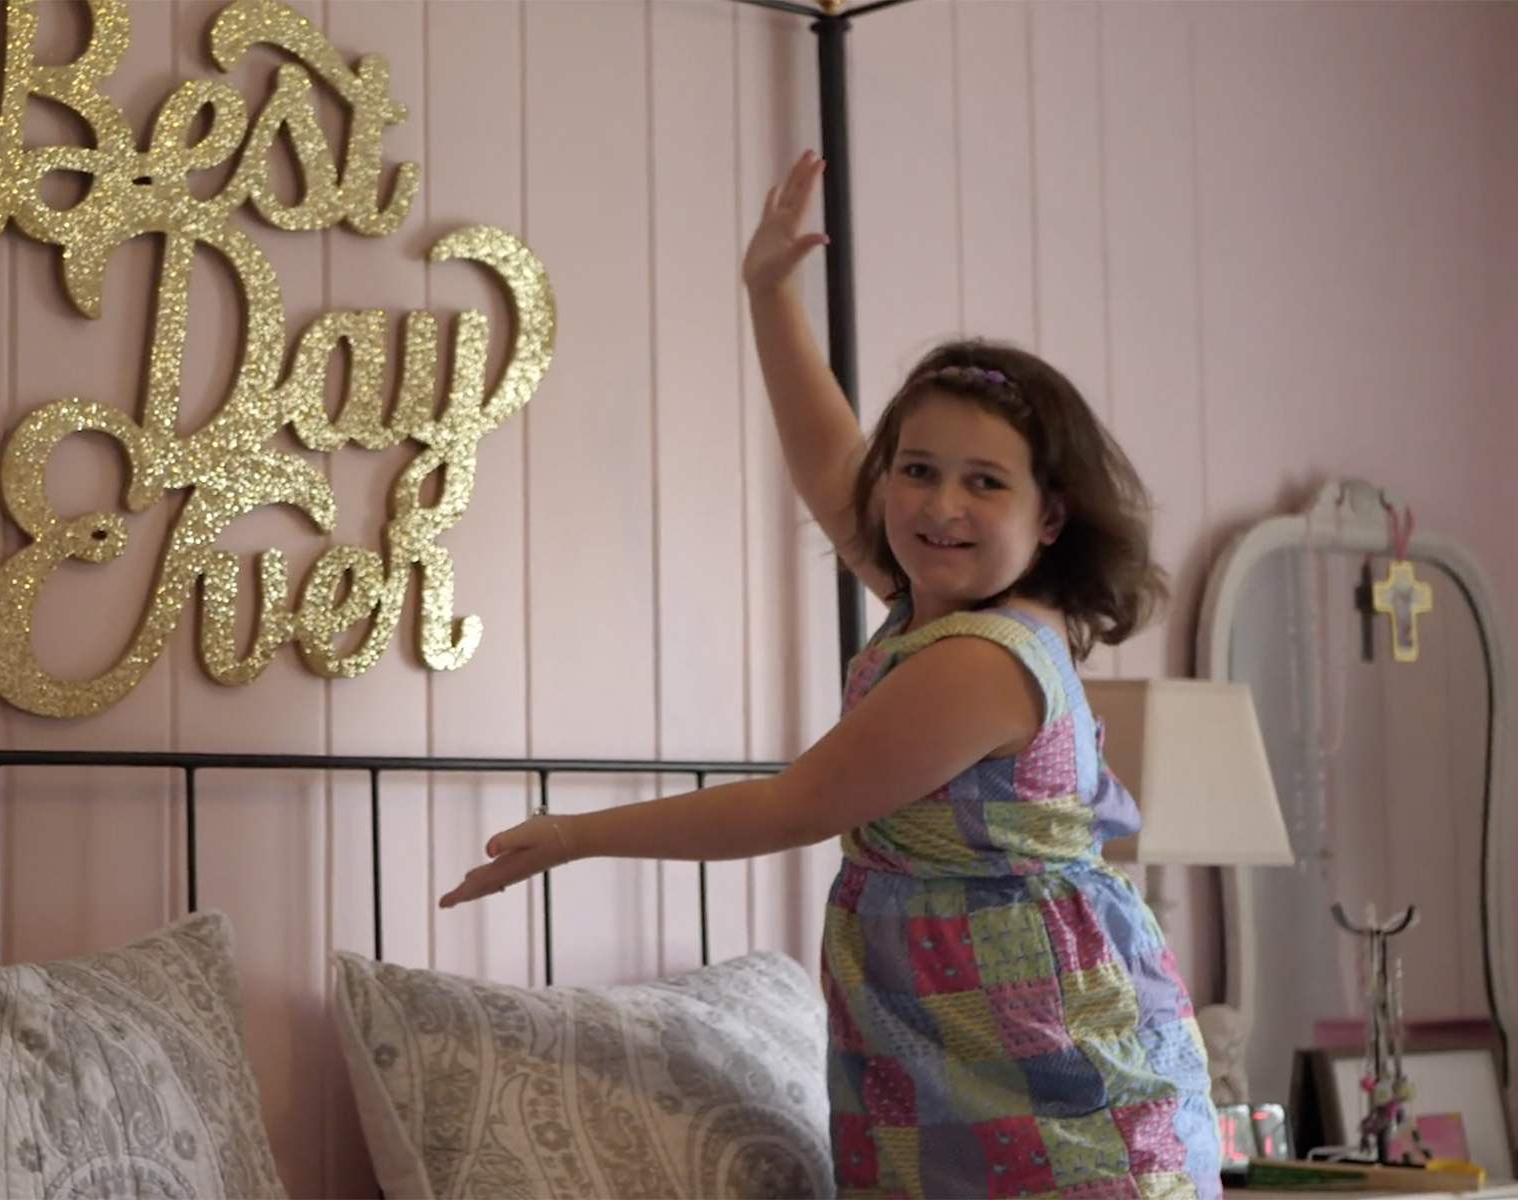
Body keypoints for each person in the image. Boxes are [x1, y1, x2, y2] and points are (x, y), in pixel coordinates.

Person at [439, 149, 1221, 1199]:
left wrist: (578, 835)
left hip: (1033, 1061)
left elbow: (793, 805)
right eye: (916, 471)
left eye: (983, 483)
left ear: (1048, 517)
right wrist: (767, 291)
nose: (940, 505)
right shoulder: (937, 603)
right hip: (944, 1037)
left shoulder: (980, 663)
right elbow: (824, 453)